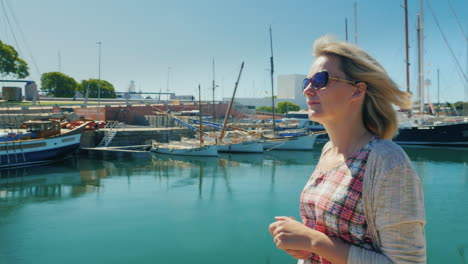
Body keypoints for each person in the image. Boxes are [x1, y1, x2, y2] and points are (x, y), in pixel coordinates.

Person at [269, 35, 426, 263]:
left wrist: (314, 241)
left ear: (357, 91)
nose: (308, 90)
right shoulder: (328, 151)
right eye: (307, 82)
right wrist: (303, 244)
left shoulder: (387, 160)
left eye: (321, 80)